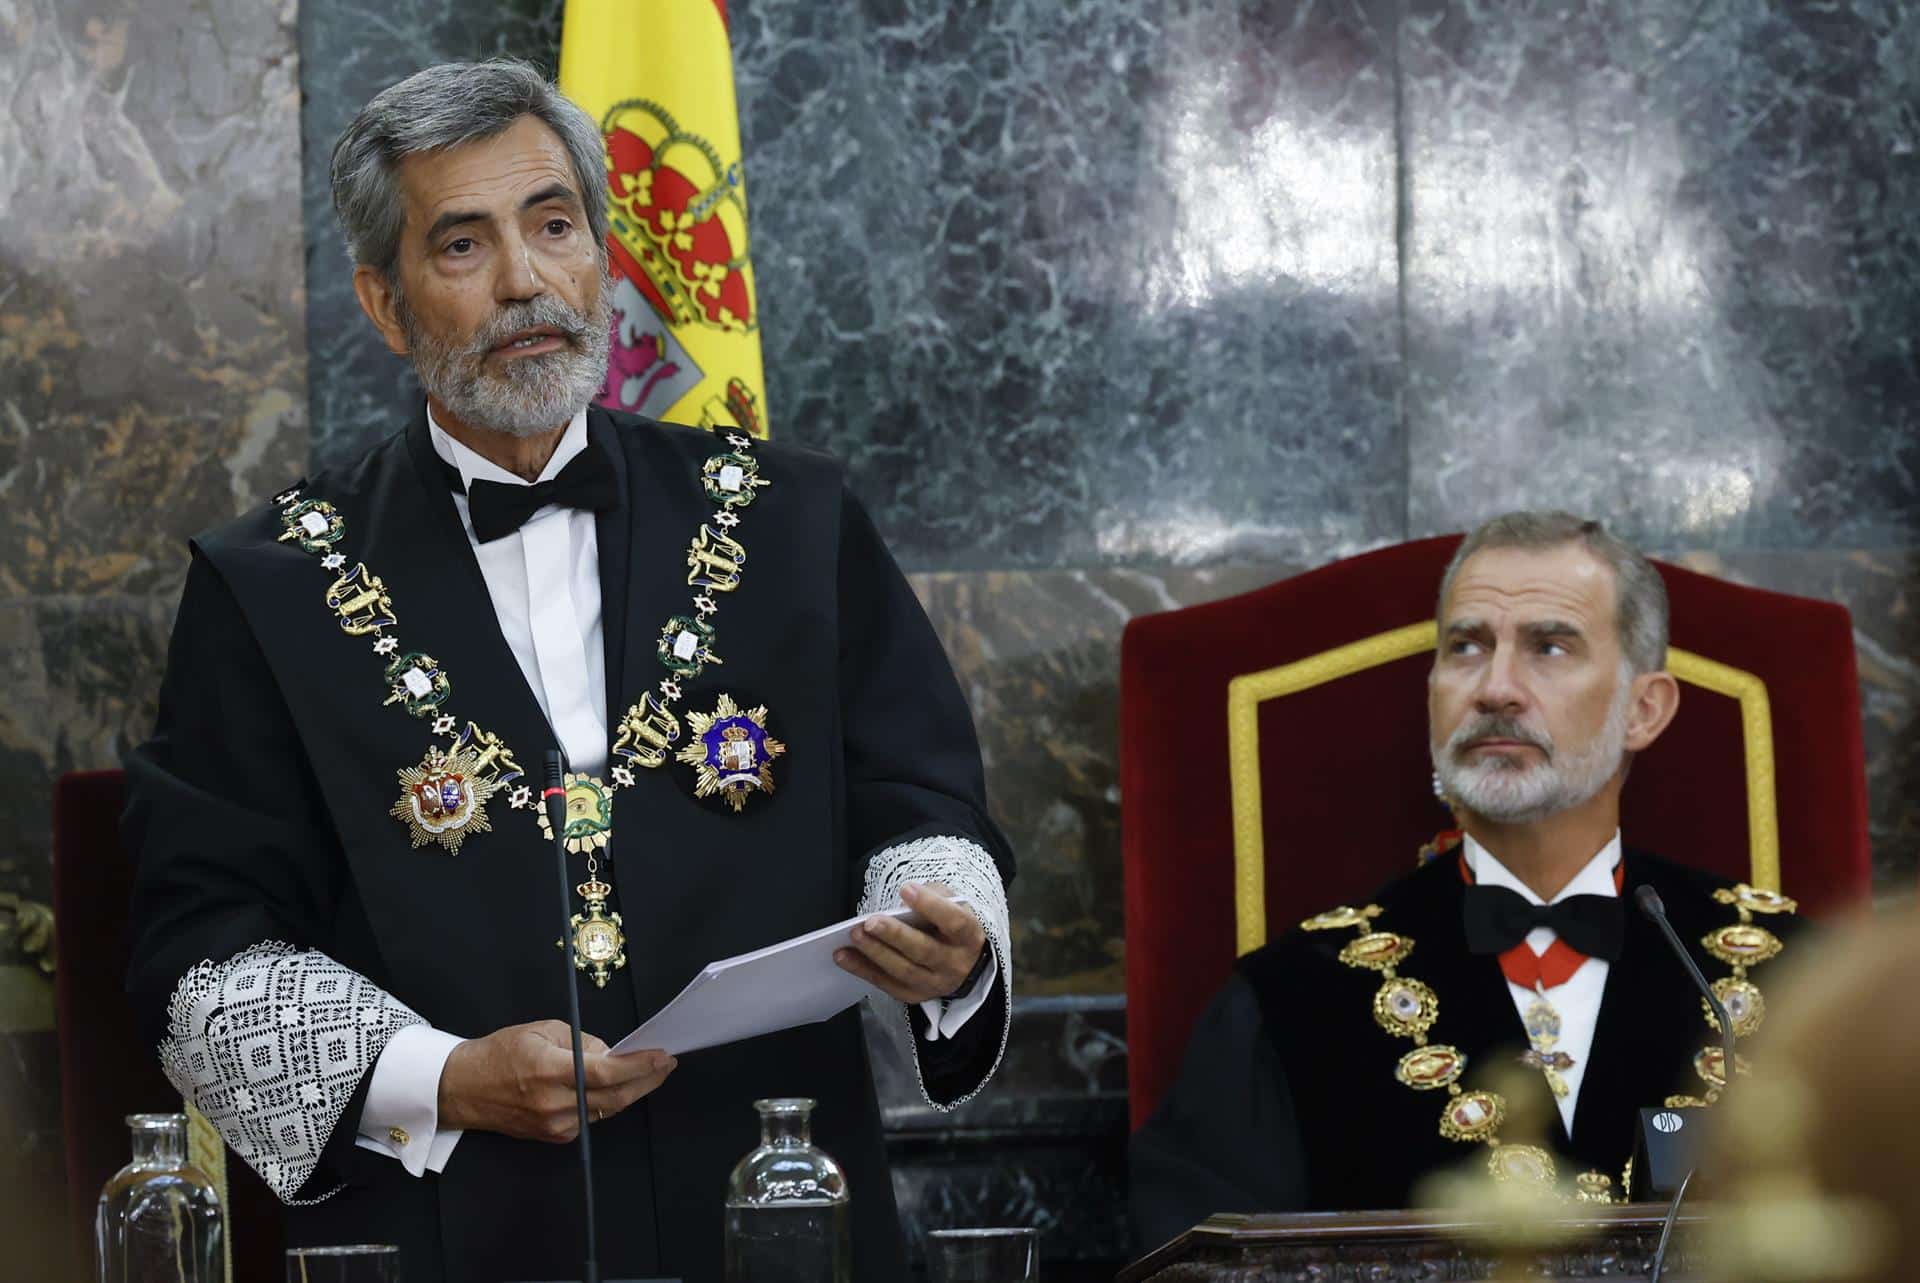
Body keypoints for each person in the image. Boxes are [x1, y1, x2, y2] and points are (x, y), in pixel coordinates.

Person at [123, 59, 1013, 1283]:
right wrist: (443, 1078)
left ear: (602, 253)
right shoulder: (265, 585)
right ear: (385, 305)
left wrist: (950, 940)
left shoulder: (791, 518)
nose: (526, 280)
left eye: (554, 227)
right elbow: (202, 941)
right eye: (463, 246)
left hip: (786, 1197)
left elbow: (927, 803)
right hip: (447, 1229)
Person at [1130, 511, 1799, 1246]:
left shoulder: (1794, 974)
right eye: (1466, 647)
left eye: (1549, 646)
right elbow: (1193, 1253)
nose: (1497, 688)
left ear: (1643, 708)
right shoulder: (1295, 1000)